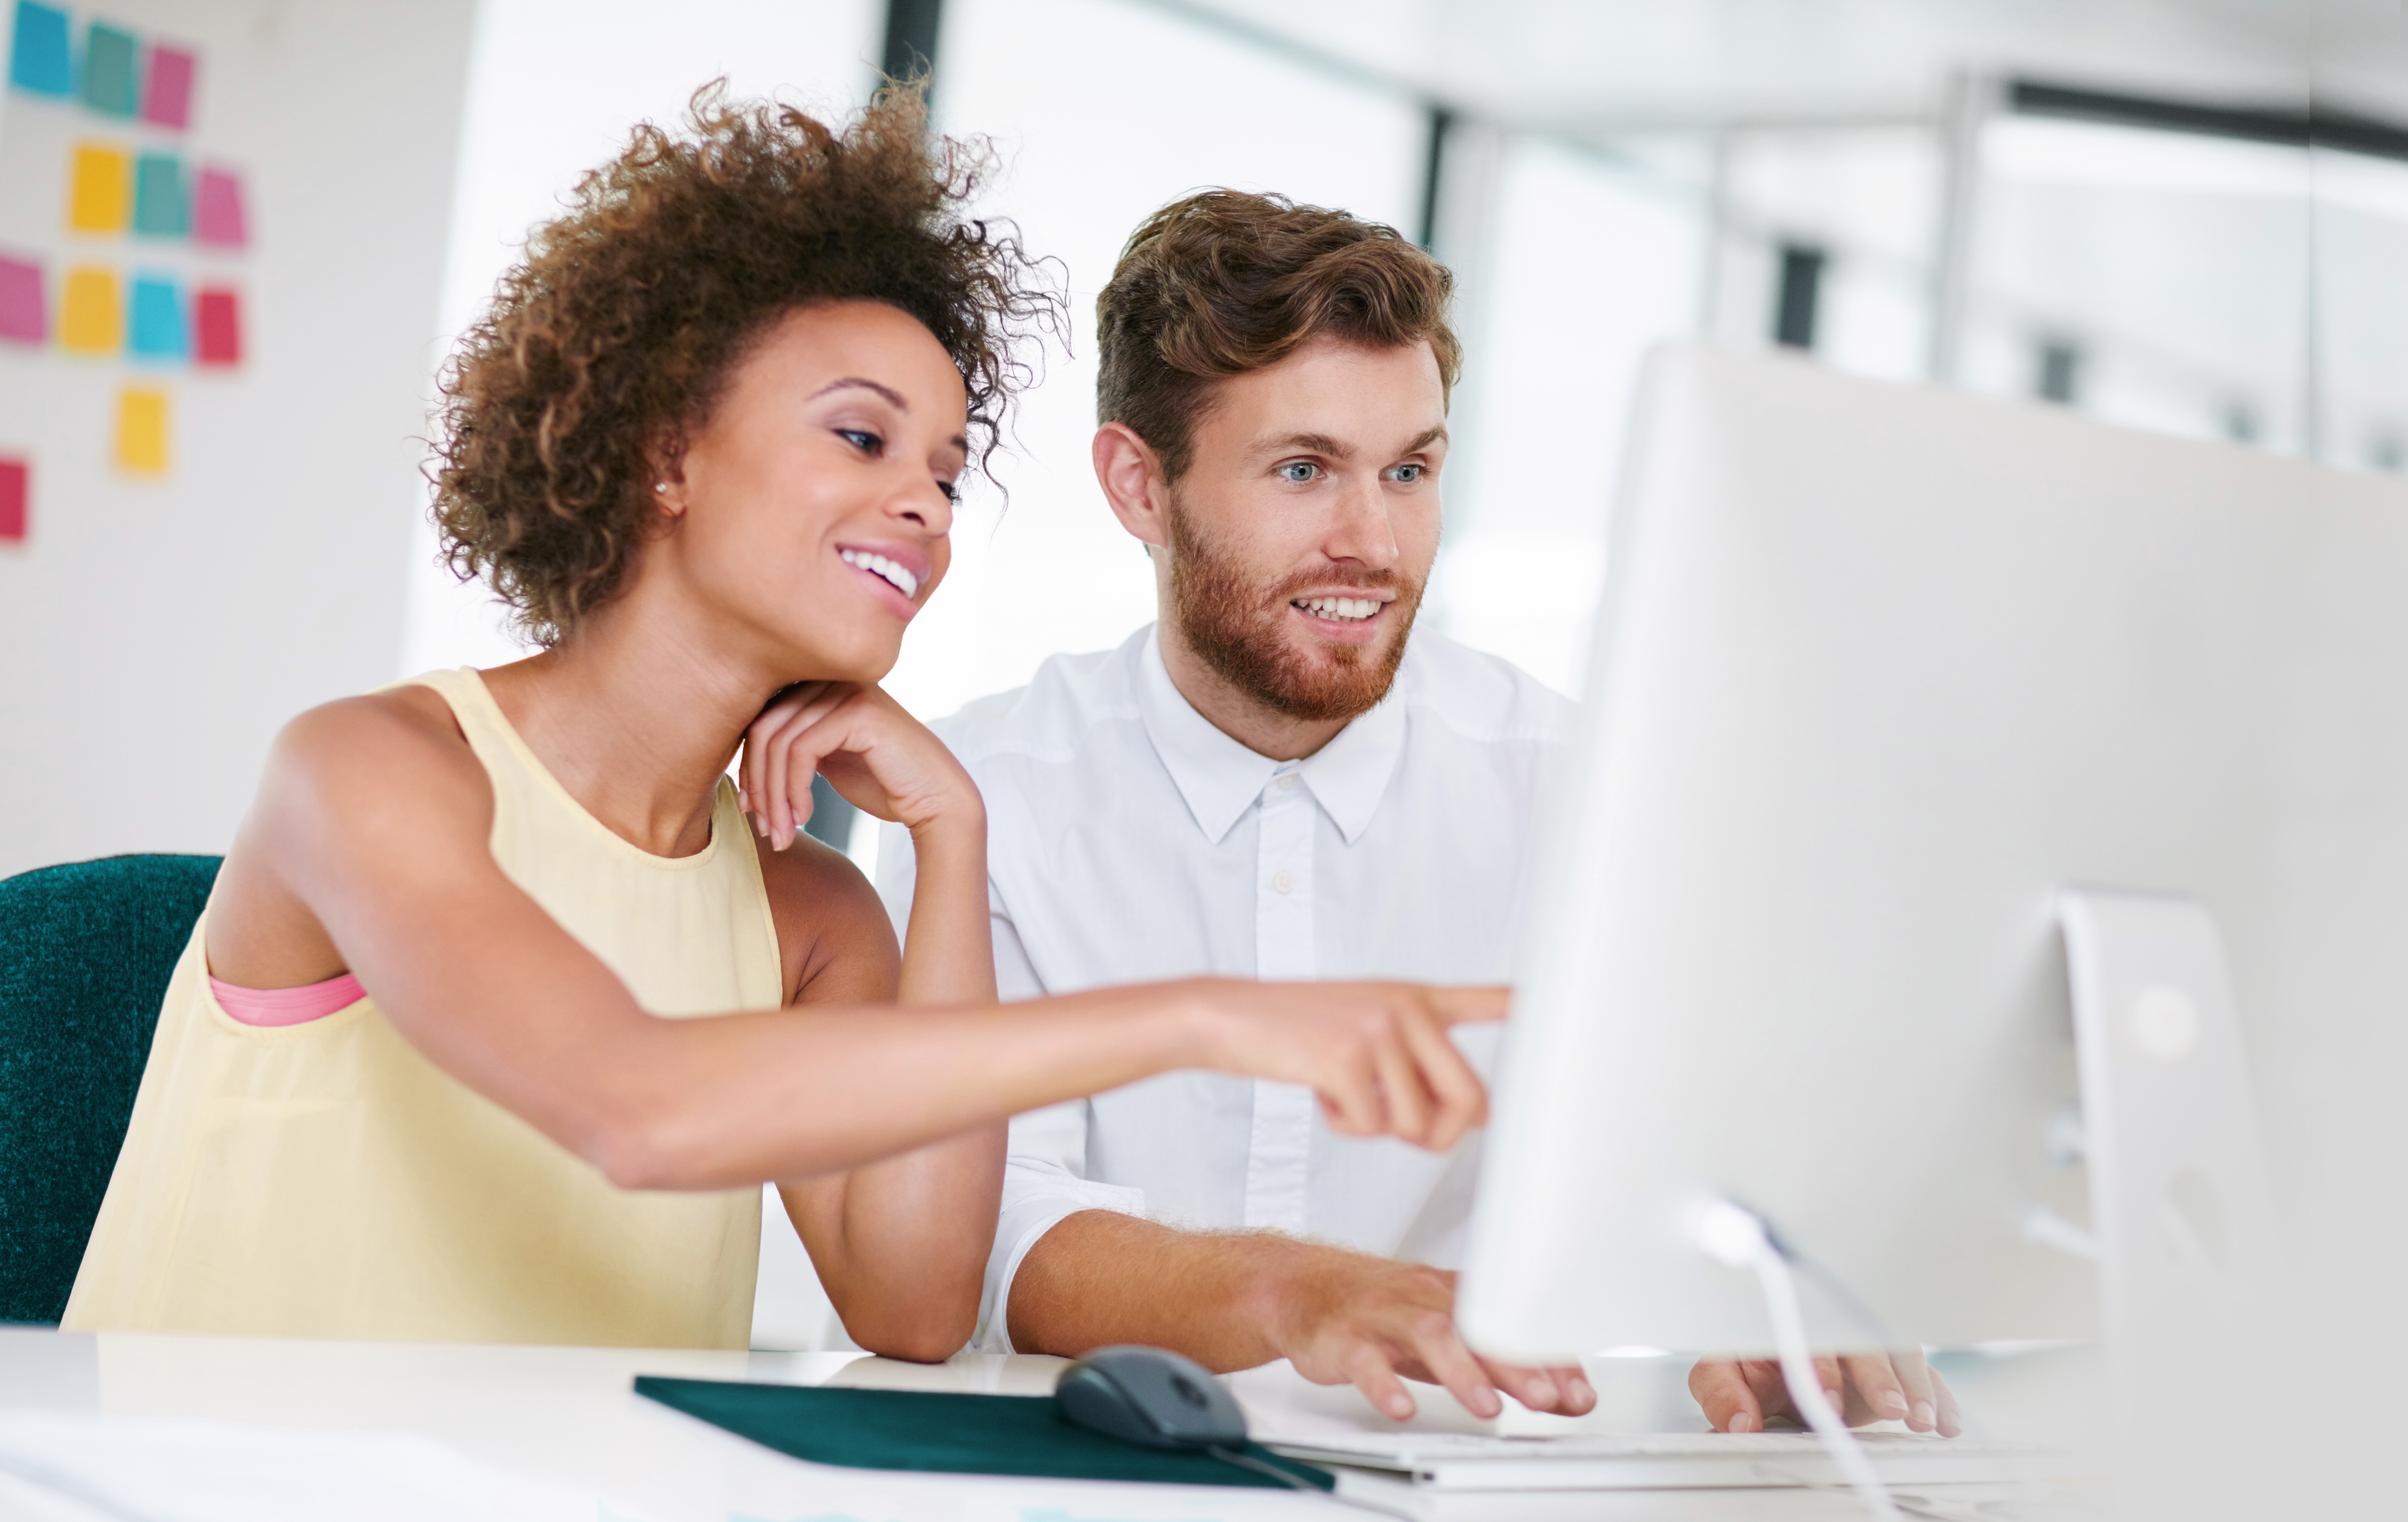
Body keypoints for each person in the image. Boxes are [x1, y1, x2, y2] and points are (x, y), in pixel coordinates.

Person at [62, 90, 1493, 1355]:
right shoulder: (367, 771)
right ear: (670, 447)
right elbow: (639, 1107)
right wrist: (1209, 1016)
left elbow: (915, 1306)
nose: (927, 502)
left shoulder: (811, 915)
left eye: (948, 463)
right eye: (863, 438)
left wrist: (953, 832)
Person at [871, 192, 1958, 1436]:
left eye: (1409, 471)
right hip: (1080, 1476)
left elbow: (1712, 1152)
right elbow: (998, 1231)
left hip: (1460, 1478)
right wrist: (1305, 1294)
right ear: (1137, 487)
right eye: (1302, 470)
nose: (1372, 542)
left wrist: (1762, 1304)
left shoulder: (1575, 789)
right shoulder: (989, 795)